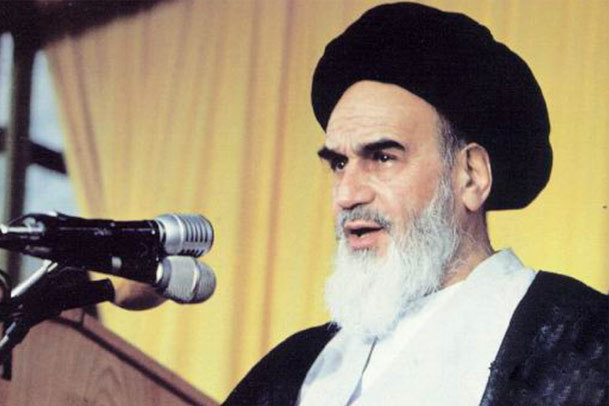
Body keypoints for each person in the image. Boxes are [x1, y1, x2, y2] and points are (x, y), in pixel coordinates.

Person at [223, 3, 607, 406]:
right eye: (339, 163)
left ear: (471, 175)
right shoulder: (292, 368)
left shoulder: (584, 345)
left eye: (382, 157)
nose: (346, 195)